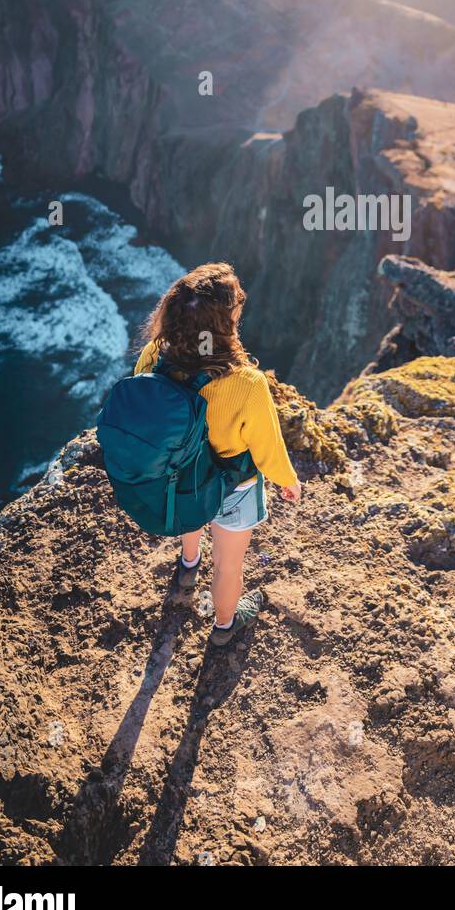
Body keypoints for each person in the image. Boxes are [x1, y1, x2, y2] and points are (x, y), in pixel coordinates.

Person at [134, 261, 300, 646]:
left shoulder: (154, 356)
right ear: (225, 321)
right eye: (236, 311)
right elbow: (267, 446)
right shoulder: (246, 384)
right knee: (228, 566)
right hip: (233, 487)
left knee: (191, 509)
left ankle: (188, 566)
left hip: (181, 475)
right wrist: (286, 480)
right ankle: (225, 626)